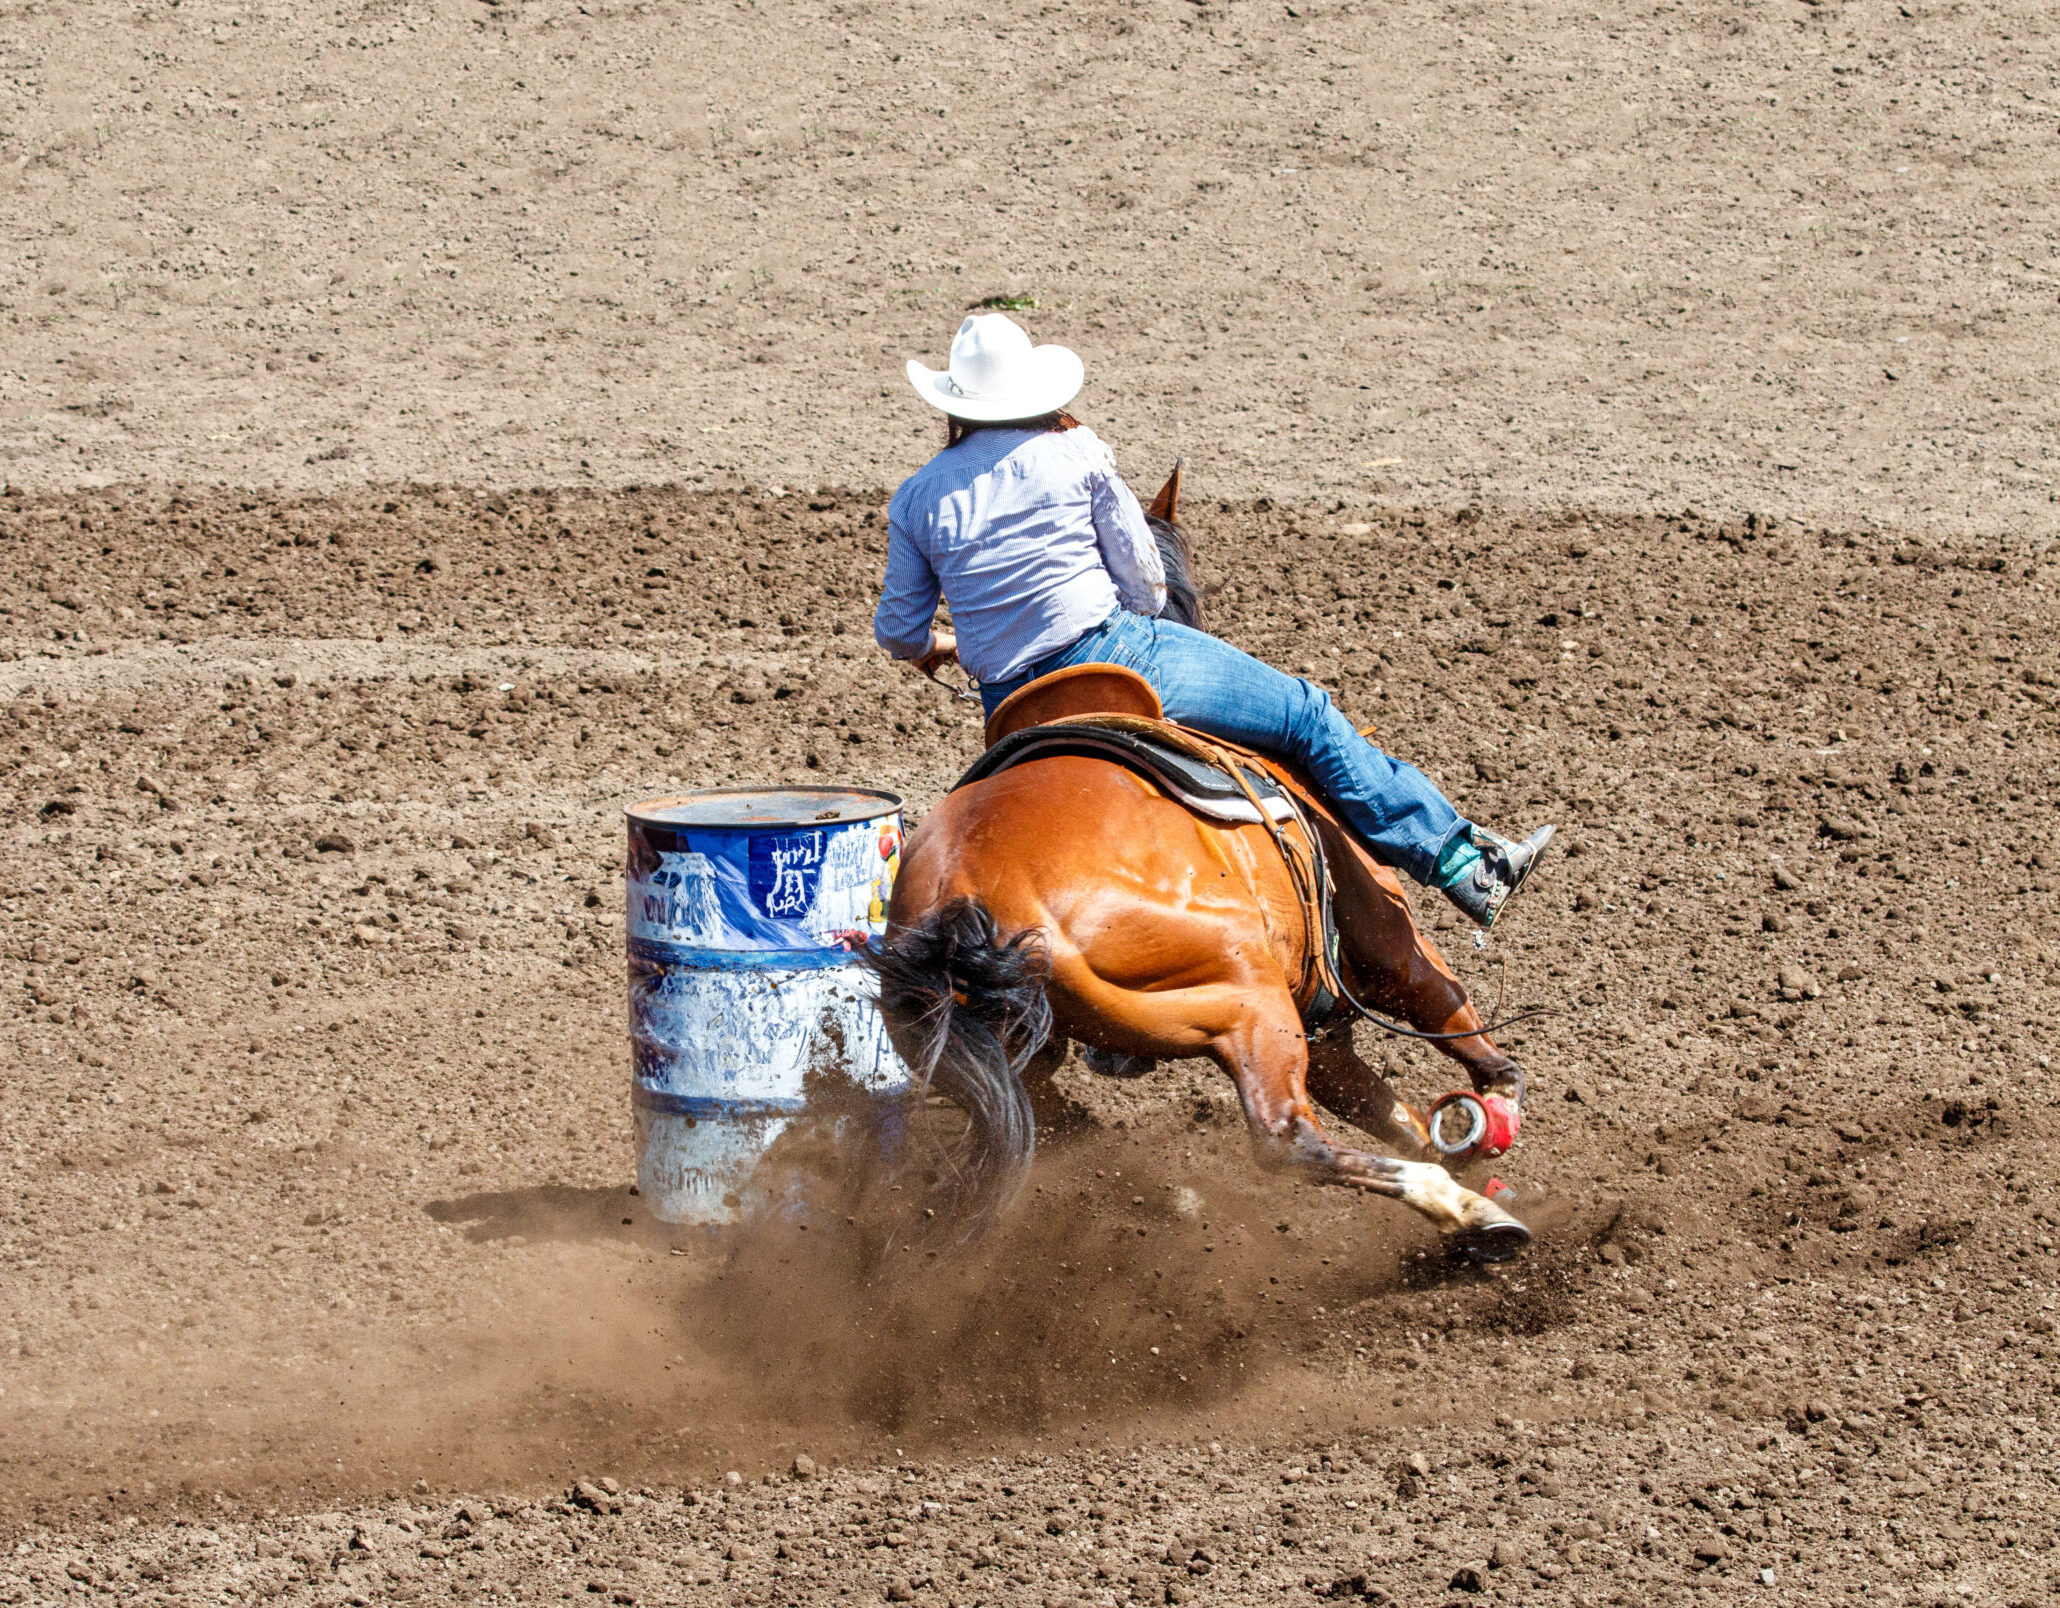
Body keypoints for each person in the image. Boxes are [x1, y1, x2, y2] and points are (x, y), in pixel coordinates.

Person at [872, 313, 1553, 929]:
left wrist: (950, 643)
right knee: (1305, 713)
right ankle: (1464, 865)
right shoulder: (1075, 453)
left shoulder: (918, 498)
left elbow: (899, 633)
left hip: (1011, 709)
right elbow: (1144, 581)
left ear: (956, 402)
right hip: (1119, 661)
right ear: (1032, 390)